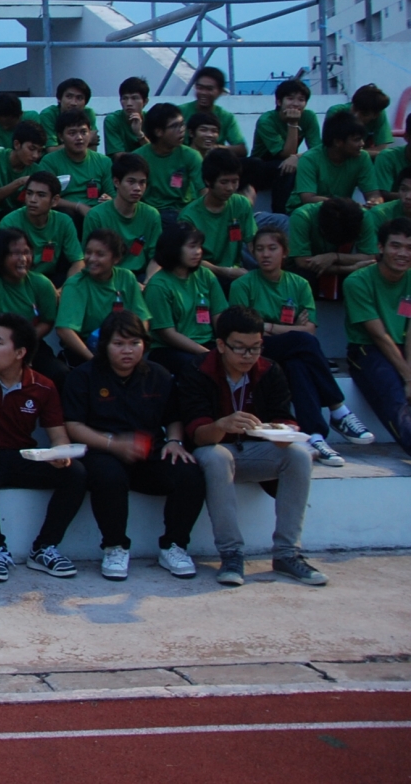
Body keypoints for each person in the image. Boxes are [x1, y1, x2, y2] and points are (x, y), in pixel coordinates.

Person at [180, 308, 325, 587]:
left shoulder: (269, 370)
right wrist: (222, 424)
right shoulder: (199, 370)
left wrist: (284, 432)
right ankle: (231, 553)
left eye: (255, 347)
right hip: (212, 451)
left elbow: (284, 417)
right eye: (240, 348)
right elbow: (197, 435)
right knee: (217, 456)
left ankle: (287, 553)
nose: (248, 356)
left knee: (299, 455)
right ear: (221, 344)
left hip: (255, 451)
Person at [62, 311, 205, 581]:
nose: (127, 351)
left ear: (144, 344)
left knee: (189, 472)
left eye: (134, 343)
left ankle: (174, 546)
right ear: (105, 345)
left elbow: (173, 417)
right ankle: (115, 546)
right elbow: (74, 425)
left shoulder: (158, 375)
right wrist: (113, 444)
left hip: (149, 451)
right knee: (108, 476)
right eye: (119, 344)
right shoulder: (83, 376)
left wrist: (175, 441)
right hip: (102, 448)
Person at [0, 315, 86, 582]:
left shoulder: (43, 386)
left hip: (23, 454)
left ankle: (44, 548)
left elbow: (58, 435)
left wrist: (60, 454)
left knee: (76, 473)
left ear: (20, 353)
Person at [231, 226, 372, 464]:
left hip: (289, 348)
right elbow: (246, 330)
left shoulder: (299, 284)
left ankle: (314, 436)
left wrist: (267, 325)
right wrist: (286, 328)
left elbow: (310, 328)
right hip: (256, 348)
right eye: (260, 249)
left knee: (297, 366)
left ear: (285, 252)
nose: (265, 254)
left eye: (272, 248)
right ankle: (338, 409)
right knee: (303, 342)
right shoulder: (243, 285)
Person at [0, 228, 68, 383]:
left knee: (59, 374)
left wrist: (22, 345)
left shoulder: (42, 283)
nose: (23, 259)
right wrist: (4, 347)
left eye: (26, 252)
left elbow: (47, 321)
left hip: (28, 346)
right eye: (15, 253)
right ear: (0, 255)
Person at [344, 218, 411, 450]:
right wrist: (408, 378)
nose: (403, 254)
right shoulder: (357, 282)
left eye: (409, 248)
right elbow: (378, 335)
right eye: (396, 246)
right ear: (381, 247)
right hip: (367, 349)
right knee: (396, 400)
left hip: (403, 346)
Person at [56, 228, 150, 365]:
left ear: (116, 258)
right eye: (88, 252)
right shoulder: (75, 284)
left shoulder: (126, 277)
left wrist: (133, 347)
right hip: (87, 353)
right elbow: (64, 330)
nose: (91, 259)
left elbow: (142, 319)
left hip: (123, 349)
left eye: (100, 254)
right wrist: (95, 362)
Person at [179, 148, 260, 286]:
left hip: (235, 273)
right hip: (201, 276)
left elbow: (252, 241)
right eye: (224, 182)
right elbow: (189, 259)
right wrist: (224, 271)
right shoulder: (189, 216)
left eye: (235, 181)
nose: (230, 188)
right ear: (208, 181)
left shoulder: (241, 204)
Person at [83, 153, 164, 276]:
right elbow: (90, 259)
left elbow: (156, 258)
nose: (137, 188)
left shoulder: (152, 215)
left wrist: (148, 282)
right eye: (131, 182)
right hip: (106, 276)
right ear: (116, 182)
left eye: (142, 182)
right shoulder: (96, 216)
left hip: (140, 276)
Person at [0, 170, 81, 286]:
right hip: (19, 279)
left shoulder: (64, 221)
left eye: (41, 195)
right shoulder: (9, 222)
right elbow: (5, 267)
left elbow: (78, 262)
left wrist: (65, 289)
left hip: (51, 279)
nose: (32, 200)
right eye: (29, 193)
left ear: (54, 200)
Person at [287, 197, 377, 299]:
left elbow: (370, 258)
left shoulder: (363, 216)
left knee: (368, 274)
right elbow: (302, 262)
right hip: (309, 268)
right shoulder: (302, 216)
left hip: (344, 259)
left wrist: (334, 257)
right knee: (303, 276)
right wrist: (350, 269)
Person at [39, 110, 114, 221]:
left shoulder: (104, 161)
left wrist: (108, 199)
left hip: (96, 212)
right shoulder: (49, 161)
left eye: (84, 132)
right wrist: (78, 206)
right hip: (65, 214)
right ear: (61, 137)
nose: (79, 137)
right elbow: (46, 196)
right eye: (72, 133)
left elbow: (112, 194)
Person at [290, 111, 369, 212]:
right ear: (338, 142)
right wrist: (347, 204)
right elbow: (308, 199)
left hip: (341, 212)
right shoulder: (309, 159)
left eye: (362, 139)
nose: (362, 144)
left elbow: (373, 194)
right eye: (356, 140)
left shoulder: (362, 157)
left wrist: (374, 202)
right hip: (308, 212)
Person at [136, 103, 202, 219]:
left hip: (182, 213)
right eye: (175, 126)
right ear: (158, 132)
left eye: (182, 124)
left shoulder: (191, 156)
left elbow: (204, 190)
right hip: (148, 213)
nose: (181, 130)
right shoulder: (138, 157)